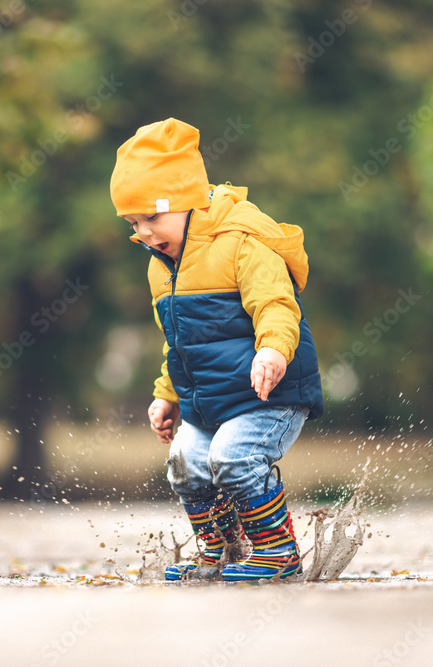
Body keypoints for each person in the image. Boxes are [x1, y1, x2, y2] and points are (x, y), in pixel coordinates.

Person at [109, 118, 324, 581]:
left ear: (185, 201)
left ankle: (278, 553)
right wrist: (166, 394)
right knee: (184, 465)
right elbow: (178, 342)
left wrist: (273, 352)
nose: (144, 232)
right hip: (210, 400)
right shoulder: (160, 266)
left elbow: (276, 306)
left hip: (271, 392)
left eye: (152, 216)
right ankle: (222, 550)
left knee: (233, 458)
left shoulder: (242, 242)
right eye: (133, 222)